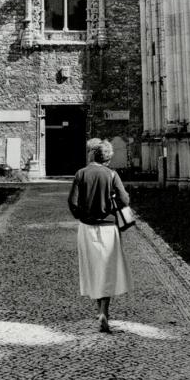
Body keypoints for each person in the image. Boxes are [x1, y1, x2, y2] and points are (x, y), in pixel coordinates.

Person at [68, 139, 131, 333]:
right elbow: (124, 199)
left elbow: (72, 202)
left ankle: (99, 310)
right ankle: (104, 310)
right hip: (108, 228)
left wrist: (83, 216)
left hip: (87, 228)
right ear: (108, 159)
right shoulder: (111, 175)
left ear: (92, 155)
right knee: (108, 268)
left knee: (92, 267)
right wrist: (111, 208)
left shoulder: (81, 173)